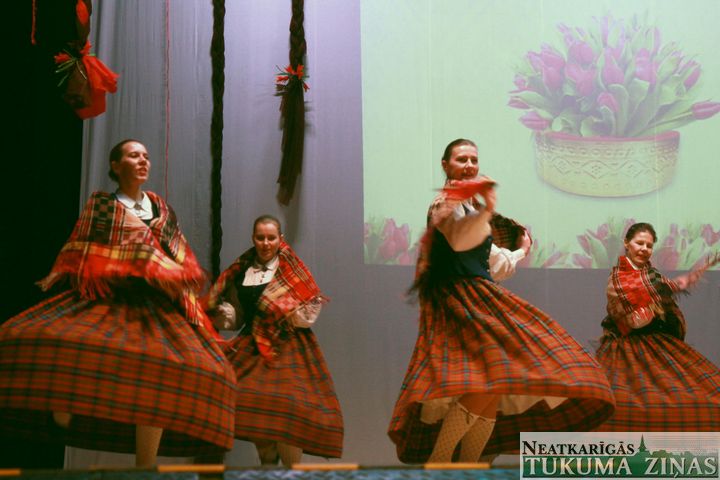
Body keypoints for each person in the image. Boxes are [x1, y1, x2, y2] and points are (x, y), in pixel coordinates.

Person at [0, 139, 237, 467]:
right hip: (110, 297)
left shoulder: (162, 211)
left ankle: (145, 467)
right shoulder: (103, 206)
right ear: (115, 165)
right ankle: (62, 410)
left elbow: (180, 259)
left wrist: (172, 278)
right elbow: (81, 250)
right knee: (60, 343)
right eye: (133, 155)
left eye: (146, 156)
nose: (142, 161)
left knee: (163, 374)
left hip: (154, 305)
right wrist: (129, 261)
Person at [387, 138, 616, 464]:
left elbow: (491, 262)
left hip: (477, 295)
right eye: (461, 159)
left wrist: (521, 250)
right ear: (445, 165)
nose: (469, 165)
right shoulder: (444, 205)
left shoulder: (470, 208)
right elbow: (460, 240)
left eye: (473, 159)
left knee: (494, 386)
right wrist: (488, 210)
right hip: (458, 301)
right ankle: (439, 463)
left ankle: (469, 465)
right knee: (484, 383)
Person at [205, 215, 343, 467]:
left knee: (288, 414)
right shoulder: (242, 271)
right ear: (253, 239)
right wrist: (218, 312)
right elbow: (238, 316)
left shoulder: (291, 270)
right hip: (253, 345)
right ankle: (268, 467)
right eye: (261, 238)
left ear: (281, 239)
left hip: (288, 345)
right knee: (255, 410)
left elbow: (310, 311)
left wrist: (284, 311)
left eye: (271, 238)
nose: (266, 243)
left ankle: (291, 472)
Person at [596, 222, 720, 431]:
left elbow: (670, 287)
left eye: (649, 245)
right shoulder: (618, 278)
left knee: (695, 400)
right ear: (627, 243)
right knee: (622, 406)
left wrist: (693, 275)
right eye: (639, 243)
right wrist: (646, 311)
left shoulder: (652, 275)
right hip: (626, 349)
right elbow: (630, 318)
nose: (644, 249)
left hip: (660, 346)